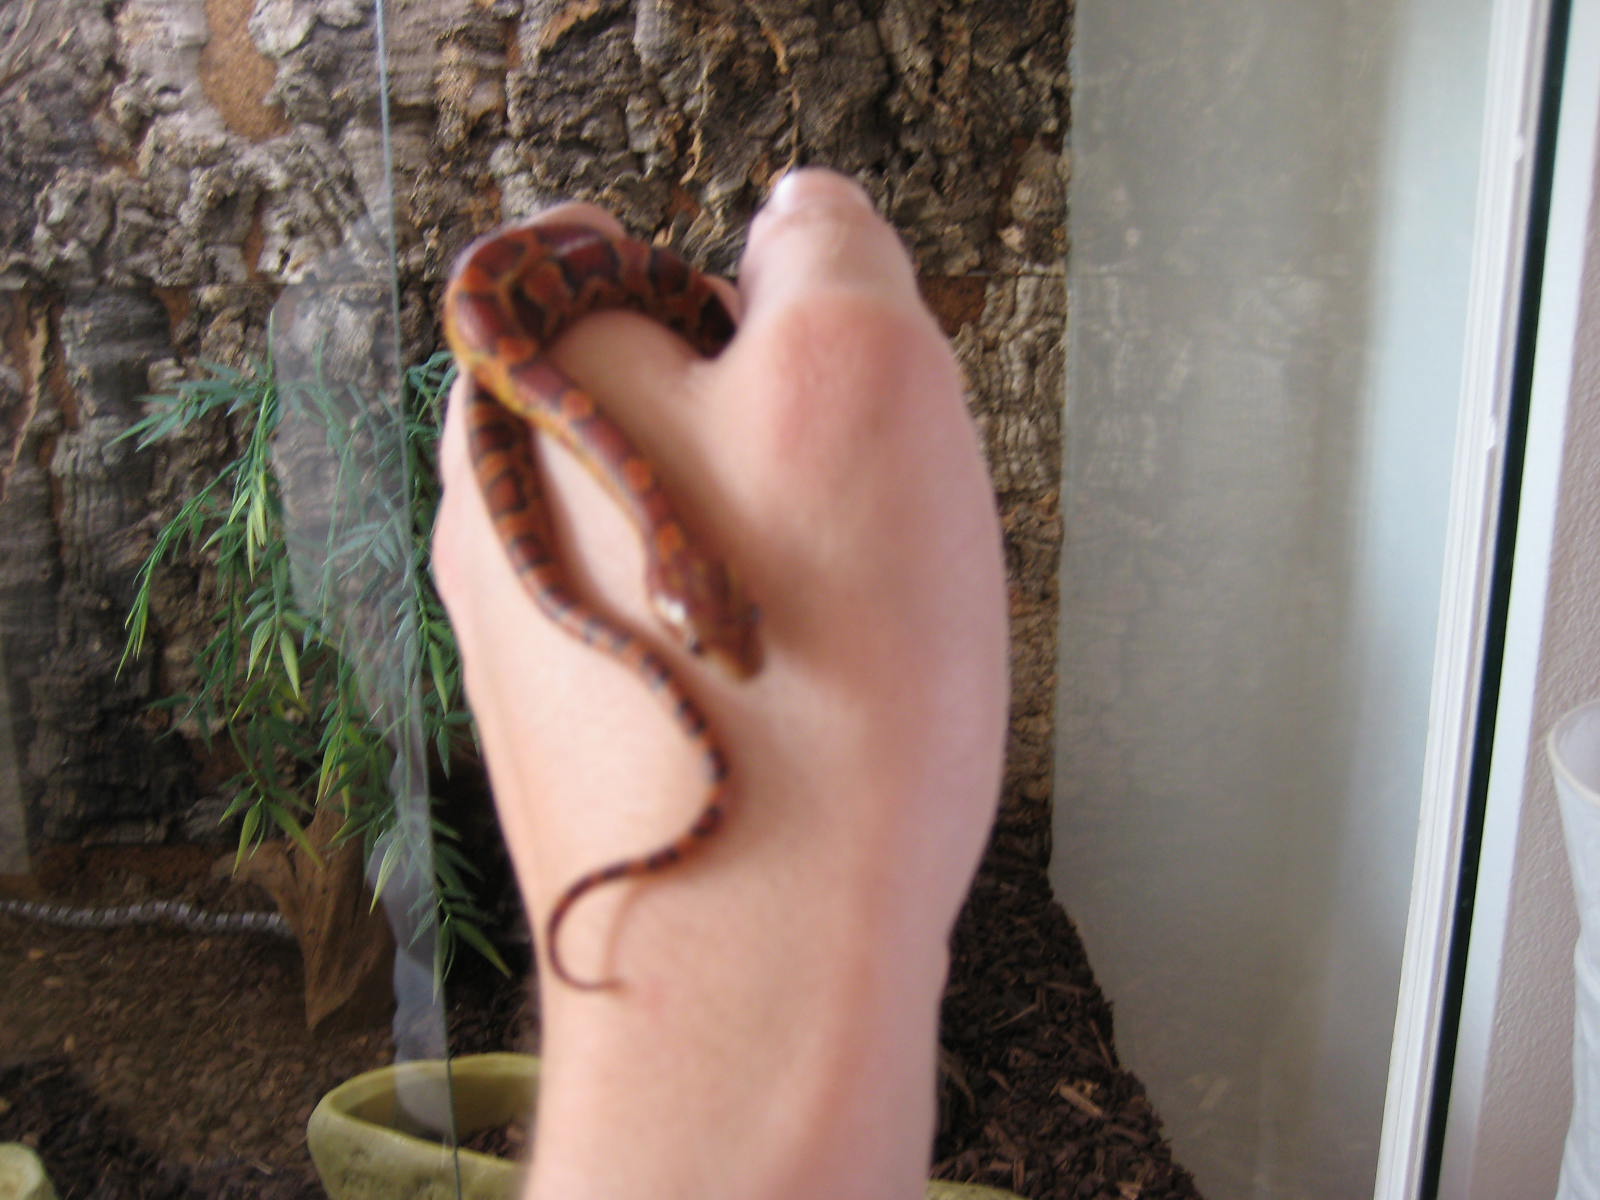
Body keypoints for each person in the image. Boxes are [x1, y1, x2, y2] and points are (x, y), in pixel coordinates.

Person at [432, 167, 1010, 1200]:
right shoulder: (516, 359)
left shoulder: (527, 373)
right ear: (672, 588)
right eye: (709, 637)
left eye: (728, 624)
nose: (739, 652)